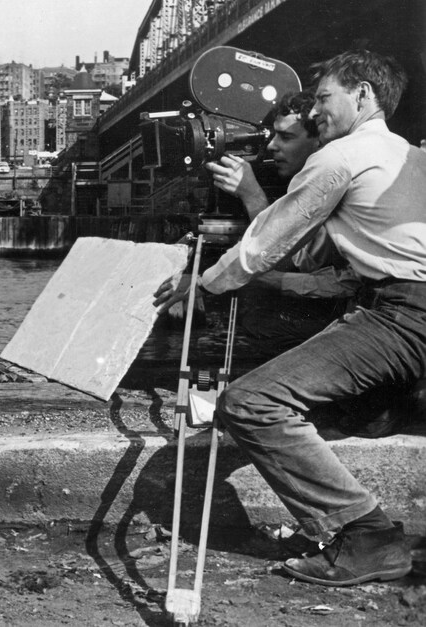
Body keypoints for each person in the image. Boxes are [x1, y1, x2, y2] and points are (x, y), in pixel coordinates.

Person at [155, 49, 423, 586]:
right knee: (356, 413)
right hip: (399, 307)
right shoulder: (406, 155)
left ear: (363, 95)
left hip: (404, 312)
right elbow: (314, 253)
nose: (316, 111)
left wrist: (203, 285)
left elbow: (266, 244)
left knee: (251, 403)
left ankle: (367, 536)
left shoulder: (341, 156)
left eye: (325, 97)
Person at [205, 90, 359, 358]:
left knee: (258, 308)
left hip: (349, 311)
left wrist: (252, 195)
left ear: (319, 142)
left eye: (286, 137)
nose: (272, 146)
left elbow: (291, 260)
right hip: (342, 302)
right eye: (273, 135)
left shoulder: (330, 182)